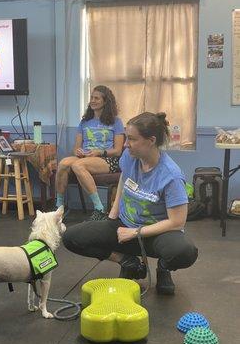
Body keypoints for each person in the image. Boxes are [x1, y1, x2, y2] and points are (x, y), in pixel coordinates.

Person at [62, 112, 198, 295]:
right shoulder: (130, 156)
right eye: (127, 138)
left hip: (157, 233)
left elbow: (177, 222)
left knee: (184, 252)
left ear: (151, 140)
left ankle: (164, 267)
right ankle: (128, 261)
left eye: (132, 139)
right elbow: (124, 180)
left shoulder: (171, 176)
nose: (126, 144)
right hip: (124, 225)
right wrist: (113, 215)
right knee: (71, 238)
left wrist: (135, 232)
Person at [55, 85, 125, 221]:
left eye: (96, 98)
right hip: (85, 157)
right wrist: (78, 151)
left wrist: (99, 152)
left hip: (107, 159)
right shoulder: (85, 121)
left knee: (78, 166)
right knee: (63, 163)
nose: (92, 100)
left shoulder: (116, 122)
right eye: (92, 98)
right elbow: (75, 148)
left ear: (105, 101)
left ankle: (99, 208)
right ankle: (59, 207)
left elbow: (117, 150)